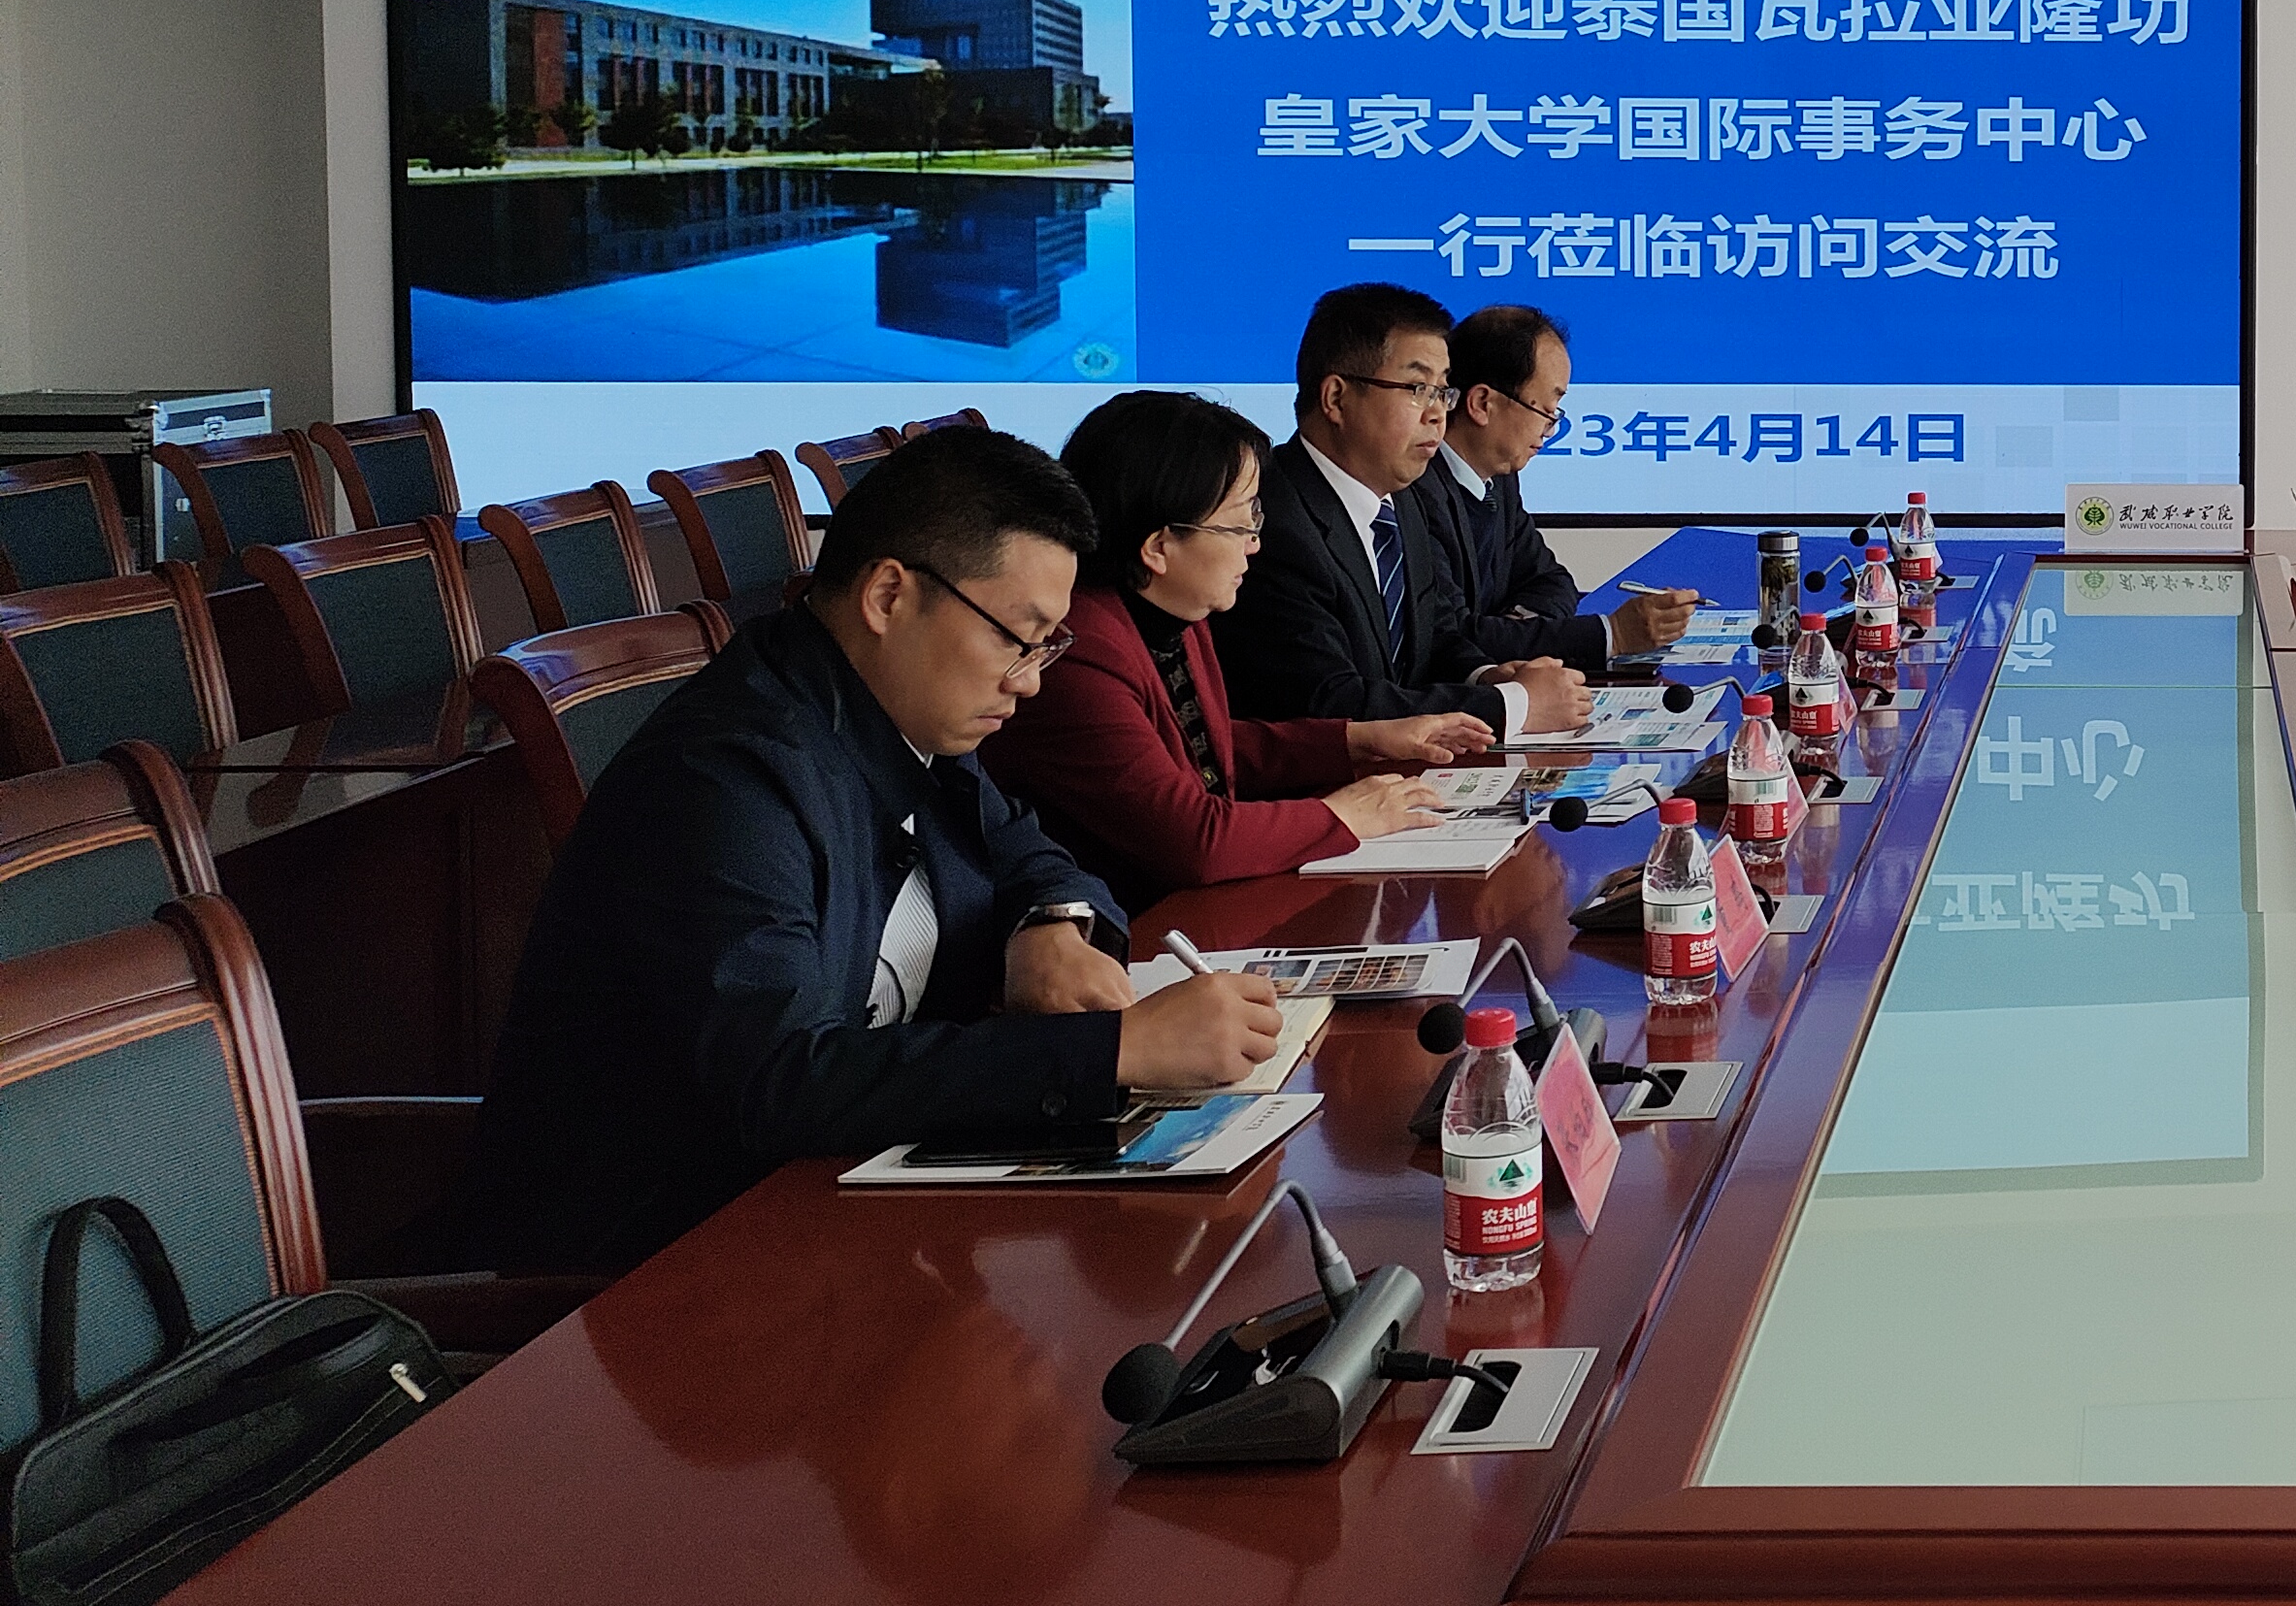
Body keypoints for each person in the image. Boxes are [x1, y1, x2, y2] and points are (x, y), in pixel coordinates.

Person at [463, 423, 1290, 1275]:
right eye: (1017, 637)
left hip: (842, 1210)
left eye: (1048, 645)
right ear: (889, 595)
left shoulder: (900, 710)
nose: (1031, 679)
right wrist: (1118, 1051)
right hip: (664, 1265)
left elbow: (1030, 851)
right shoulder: (725, 777)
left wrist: (1048, 926)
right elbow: (782, 1079)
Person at [979, 390, 1502, 910]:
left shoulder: (1170, 610)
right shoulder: (1079, 652)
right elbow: (1194, 841)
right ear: (1159, 547)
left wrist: (1360, 739)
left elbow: (1196, 748)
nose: (1255, 542)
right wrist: (1345, 815)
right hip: (1129, 927)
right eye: (1239, 523)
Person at [1218, 282, 1592, 736]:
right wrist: (1511, 704)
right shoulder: (1273, 521)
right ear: (1336, 398)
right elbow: (1328, 701)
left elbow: (1436, 635)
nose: (1437, 413)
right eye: (1417, 388)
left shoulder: (1400, 502)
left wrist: (1486, 675)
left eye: (1442, 391)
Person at [1420, 304, 1698, 674]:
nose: (1550, 429)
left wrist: (1513, 630)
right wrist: (1614, 634)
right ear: (1483, 404)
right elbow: (1453, 638)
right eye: (1546, 411)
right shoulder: (1415, 493)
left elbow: (1551, 581)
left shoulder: (1499, 480)